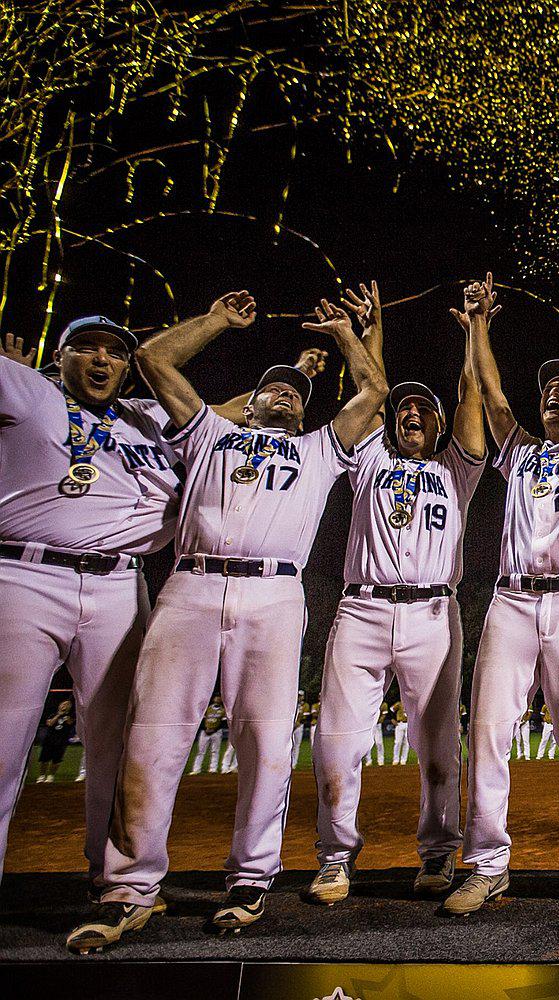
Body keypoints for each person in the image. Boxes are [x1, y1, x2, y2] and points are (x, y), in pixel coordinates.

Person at [66, 291, 386, 952]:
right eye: (274, 389)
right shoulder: (211, 432)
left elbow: (374, 389)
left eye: (297, 392)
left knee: (267, 745)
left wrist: (346, 334)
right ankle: (131, 886)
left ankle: (250, 879)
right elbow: (152, 359)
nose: (287, 396)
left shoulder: (324, 449)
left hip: (274, 595)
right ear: (252, 399)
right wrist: (216, 322)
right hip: (191, 584)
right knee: (152, 740)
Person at [0, 310, 316, 885]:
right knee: (2, 744)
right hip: (25, 575)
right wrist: (220, 319)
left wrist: (294, 373)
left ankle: (112, 879)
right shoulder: (28, 391)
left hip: (122, 584)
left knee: (120, 745)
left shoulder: (145, 419)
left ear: (125, 369)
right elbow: (166, 364)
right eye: (86, 348)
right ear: (58, 357)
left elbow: (242, 415)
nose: (101, 360)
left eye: (114, 353)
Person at [445, 271, 559, 914]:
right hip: (511, 601)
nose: (552, 393)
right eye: (545, 388)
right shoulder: (517, 446)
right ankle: (487, 863)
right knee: (489, 730)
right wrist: (480, 323)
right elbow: (492, 394)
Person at [305, 278, 484, 907]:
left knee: (438, 744)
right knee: (339, 739)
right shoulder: (371, 460)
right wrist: (368, 328)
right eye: (404, 408)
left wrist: (471, 339)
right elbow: (371, 392)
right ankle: (334, 858)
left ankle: (438, 853)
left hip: (434, 612)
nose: (412, 413)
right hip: (363, 607)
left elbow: (470, 397)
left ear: (438, 425)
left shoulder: (455, 470)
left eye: (423, 410)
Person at [36, 698, 76, 784]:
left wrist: (65, 715)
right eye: (63, 704)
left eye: (67, 705)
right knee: (44, 759)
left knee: (56, 760)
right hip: (49, 740)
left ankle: (51, 776)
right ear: (59, 705)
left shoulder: (70, 716)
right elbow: (50, 723)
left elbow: (70, 723)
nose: (64, 706)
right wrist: (58, 715)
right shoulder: (52, 714)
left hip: (61, 741)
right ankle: (42, 775)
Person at [190, 695, 228, 775]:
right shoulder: (208, 708)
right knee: (201, 751)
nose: (217, 699)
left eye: (219, 697)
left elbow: (224, 722)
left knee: (215, 751)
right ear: (213, 699)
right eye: (216, 697)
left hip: (217, 732)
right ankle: (196, 769)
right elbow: (202, 719)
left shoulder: (223, 710)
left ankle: (213, 769)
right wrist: (205, 728)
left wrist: (214, 729)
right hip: (205, 732)